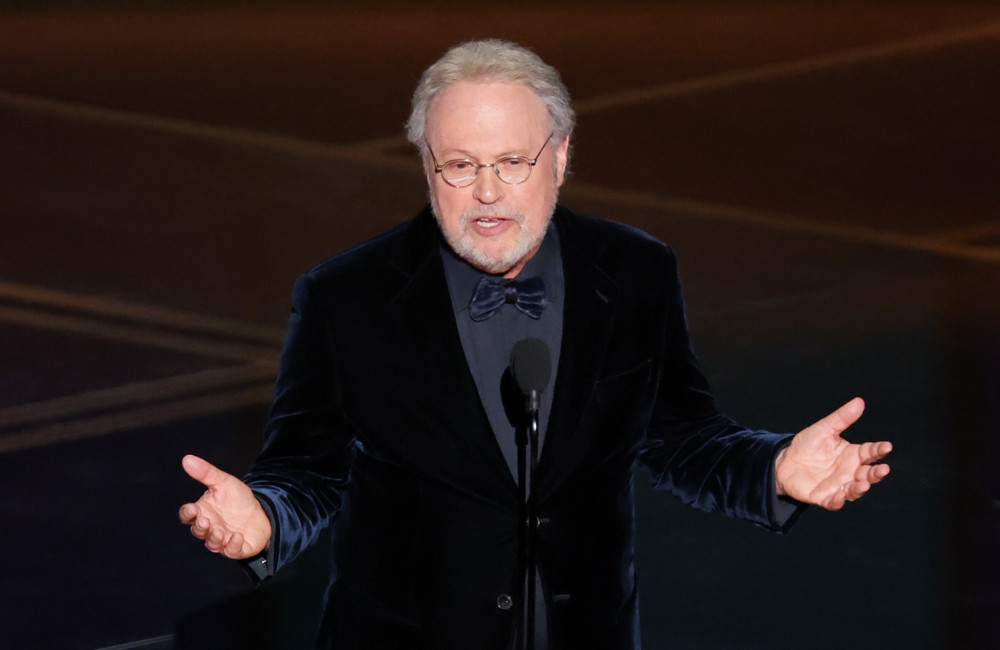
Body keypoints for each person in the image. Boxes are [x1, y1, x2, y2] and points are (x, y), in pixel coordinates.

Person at [178, 39, 892, 649]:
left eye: (513, 161)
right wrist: (264, 520)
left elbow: (684, 439)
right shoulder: (346, 297)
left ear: (561, 156)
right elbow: (306, 470)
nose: (487, 192)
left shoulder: (635, 273)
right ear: (427, 164)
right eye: (460, 165)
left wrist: (774, 470)